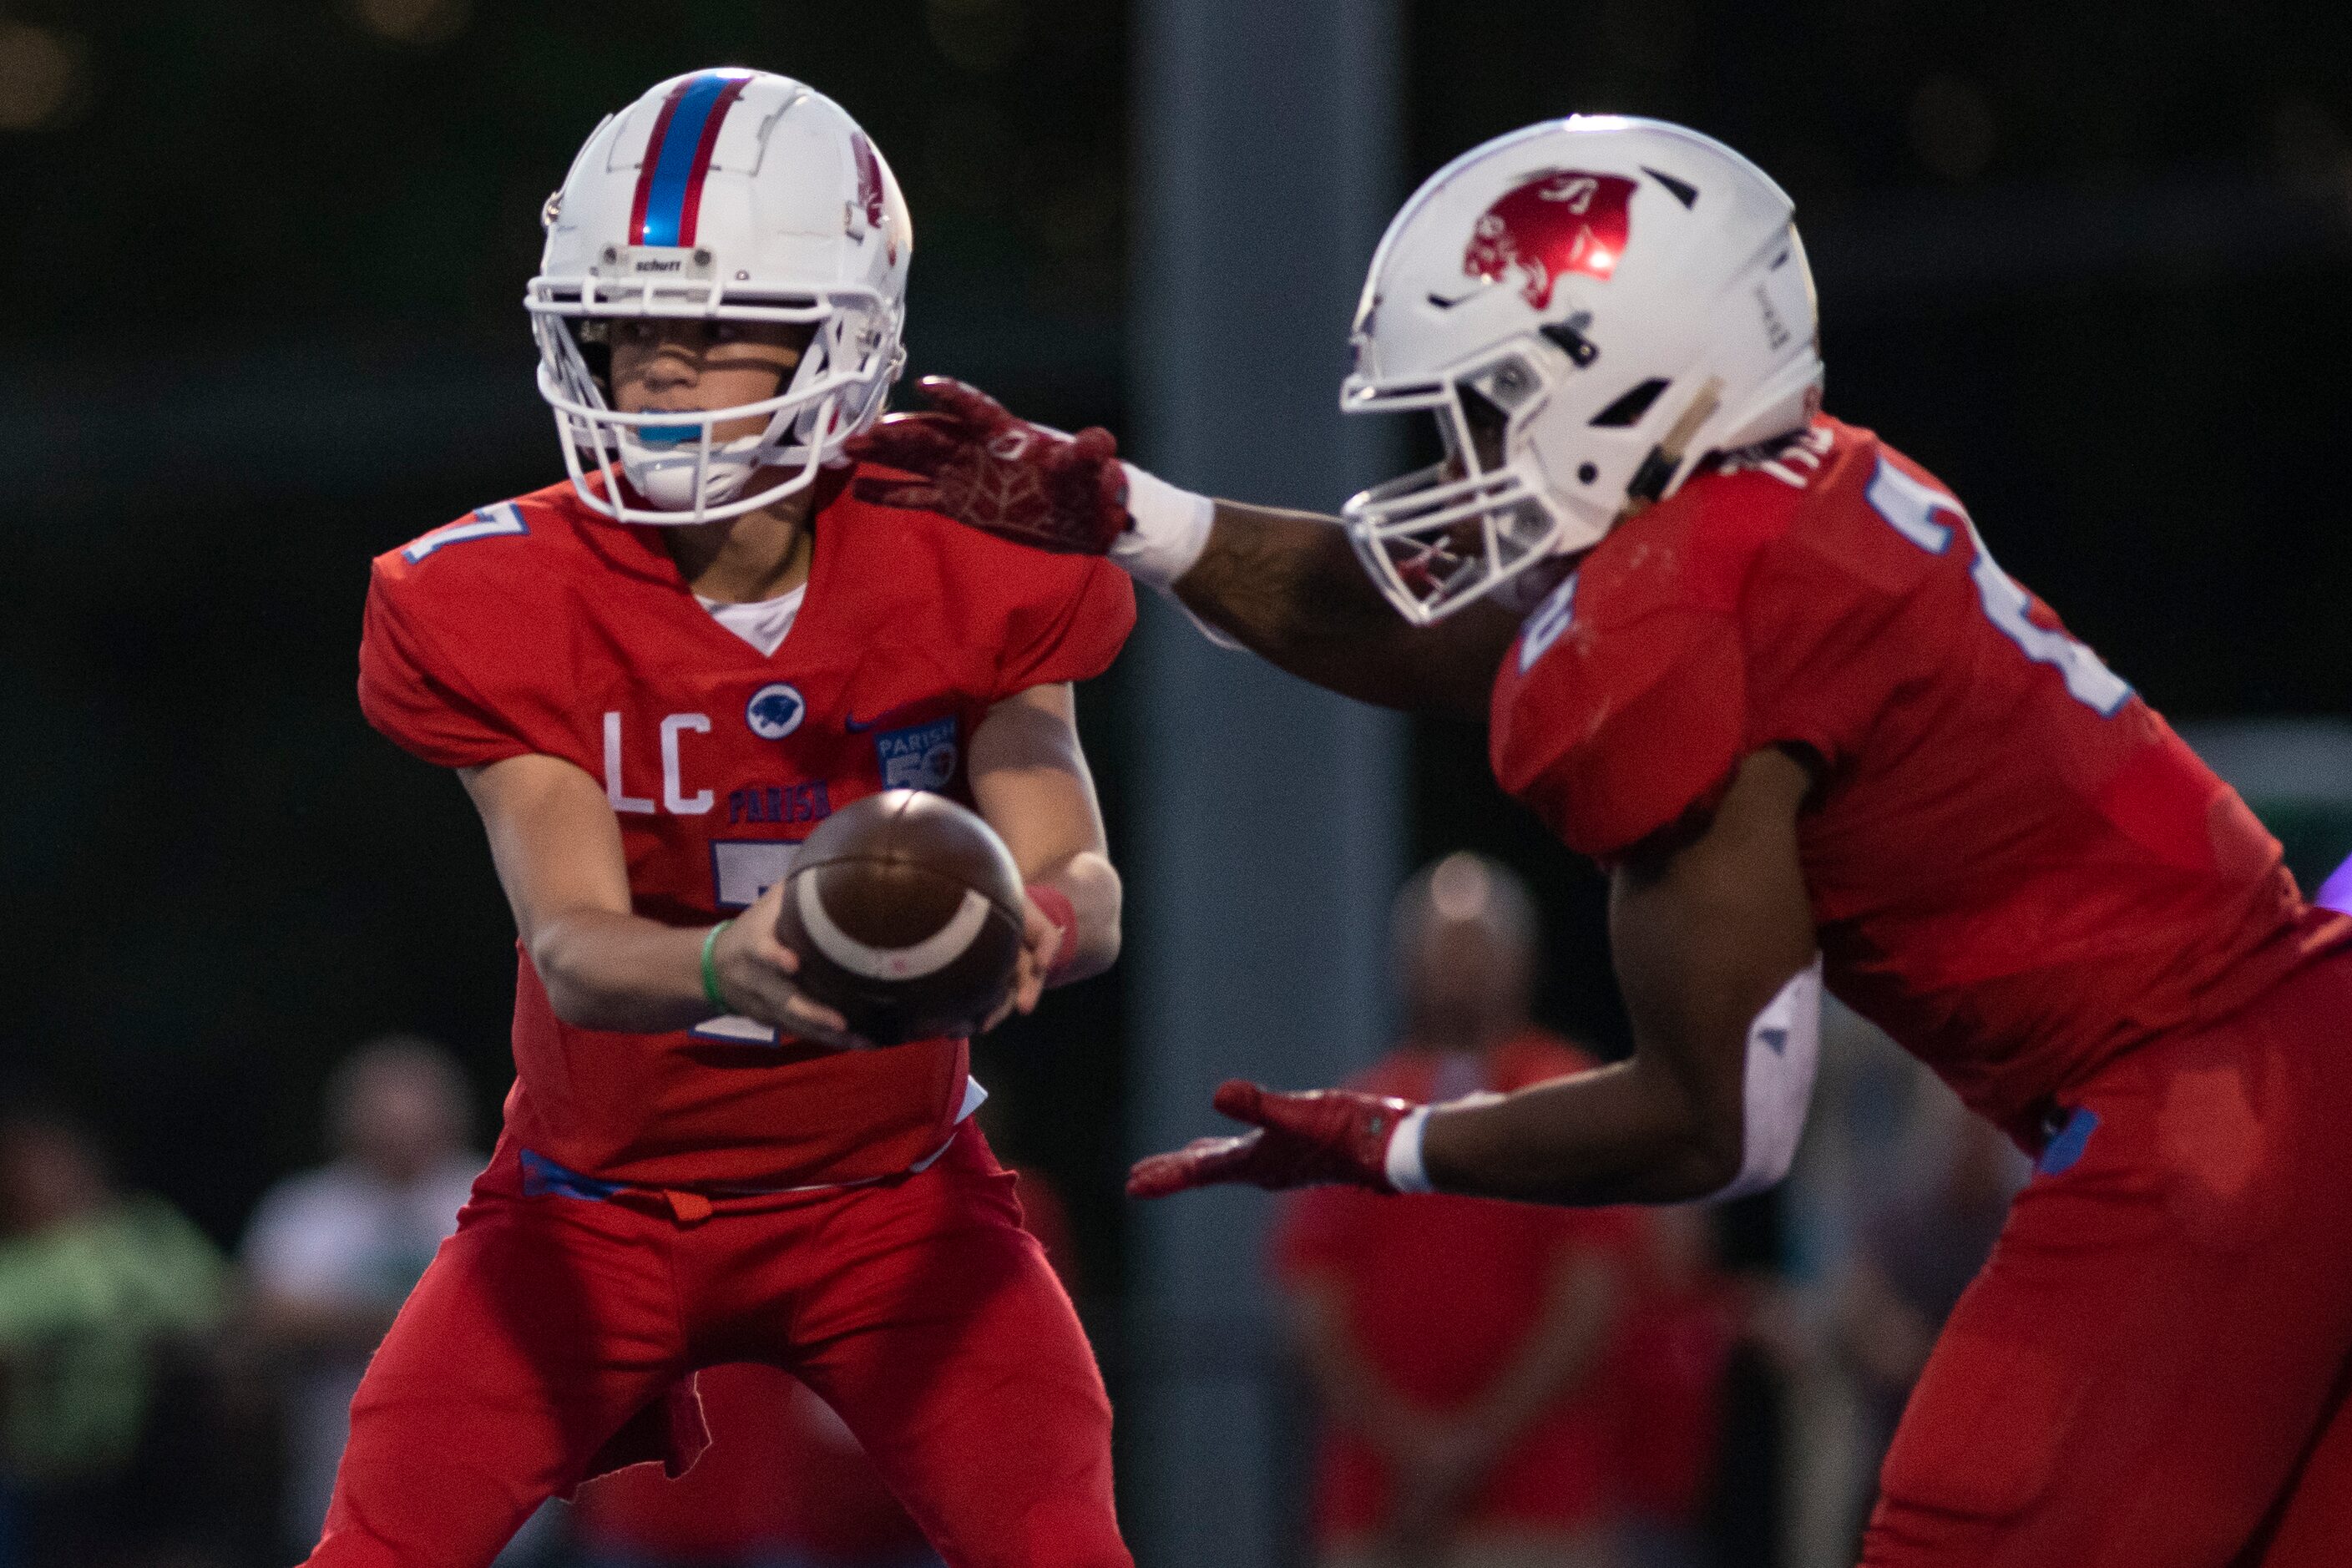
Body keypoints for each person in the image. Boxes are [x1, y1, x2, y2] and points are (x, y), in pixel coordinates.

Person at [847, 115, 2352, 1567]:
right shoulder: (1788, 486)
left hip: (2209, 1119)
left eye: (1492, 404)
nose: (1465, 452)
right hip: (2295, 1051)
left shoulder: (1683, 625)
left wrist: (1397, 1141)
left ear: (1620, 383)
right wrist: (1140, 518)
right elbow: (1447, 629)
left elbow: (1719, 1125)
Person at [334, 68, 1135, 1568]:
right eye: (631, 331)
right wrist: (728, 964)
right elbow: (574, 941)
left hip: (897, 1204)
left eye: (709, 332)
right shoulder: (495, 597)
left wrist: (1033, 924)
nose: (654, 373)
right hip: (589, 1210)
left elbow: (1075, 867)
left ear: (846, 340)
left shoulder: (970, 558)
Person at [1272, 853, 1631, 1568]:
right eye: (1444, 951)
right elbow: (1312, 1306)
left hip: (1536, 1505)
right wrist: (1409, 1446)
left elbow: (1592, 1296)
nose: (1460, 970)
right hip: (1376, 1507)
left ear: (1521, 963)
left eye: (1477, 950)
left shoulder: (1570, 1100)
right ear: (1405, 966)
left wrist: (1473, 1442)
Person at [240, 1035, 488, 1560]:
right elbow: (265, 1319)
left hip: (492, 1506)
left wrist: (339, 1317)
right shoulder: (304, 1209)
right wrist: (441, 1315)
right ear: (348, 1119)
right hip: (338, 1497)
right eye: (381, 1112)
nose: (398, 1129)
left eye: (414, 1110)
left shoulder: (497, 1192)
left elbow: (533, 1316)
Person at [0, 1108, 230, 1567]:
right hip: (48, 1472)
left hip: (163, 1461)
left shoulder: (149, 1231)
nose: (53, 1177)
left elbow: (218, 1310)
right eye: (34, 1166)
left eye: (61, 1160)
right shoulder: (14, 1260)